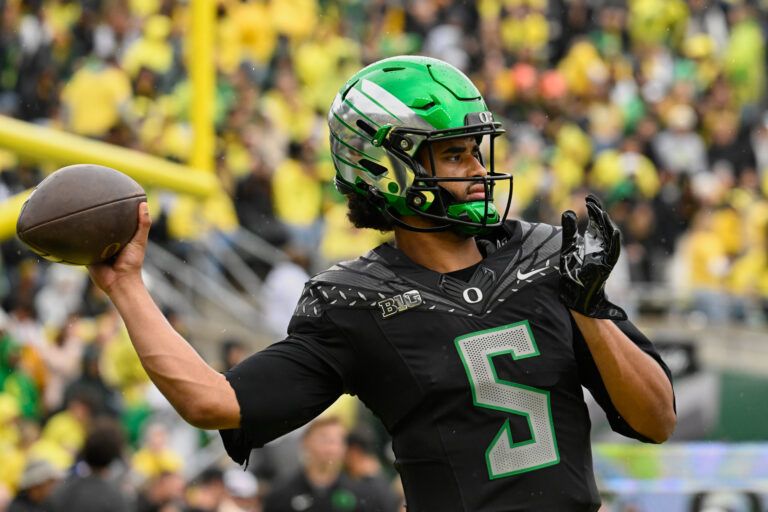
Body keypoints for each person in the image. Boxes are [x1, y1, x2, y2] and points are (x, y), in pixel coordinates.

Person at [86, 55, 676, 511]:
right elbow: (215, 401)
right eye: (453, 156)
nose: (478, 171)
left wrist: (589, 307)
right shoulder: (354, 302)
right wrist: (127, 285)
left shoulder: (551, 256)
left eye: (475, 151)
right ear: (386, 169)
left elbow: (656, 420)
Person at [263, 416, 383, 512]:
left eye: (337, 440)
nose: (331, 447)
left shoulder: (362, 494)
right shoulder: (281, 493)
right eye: (324, 439)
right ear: (305, 442)